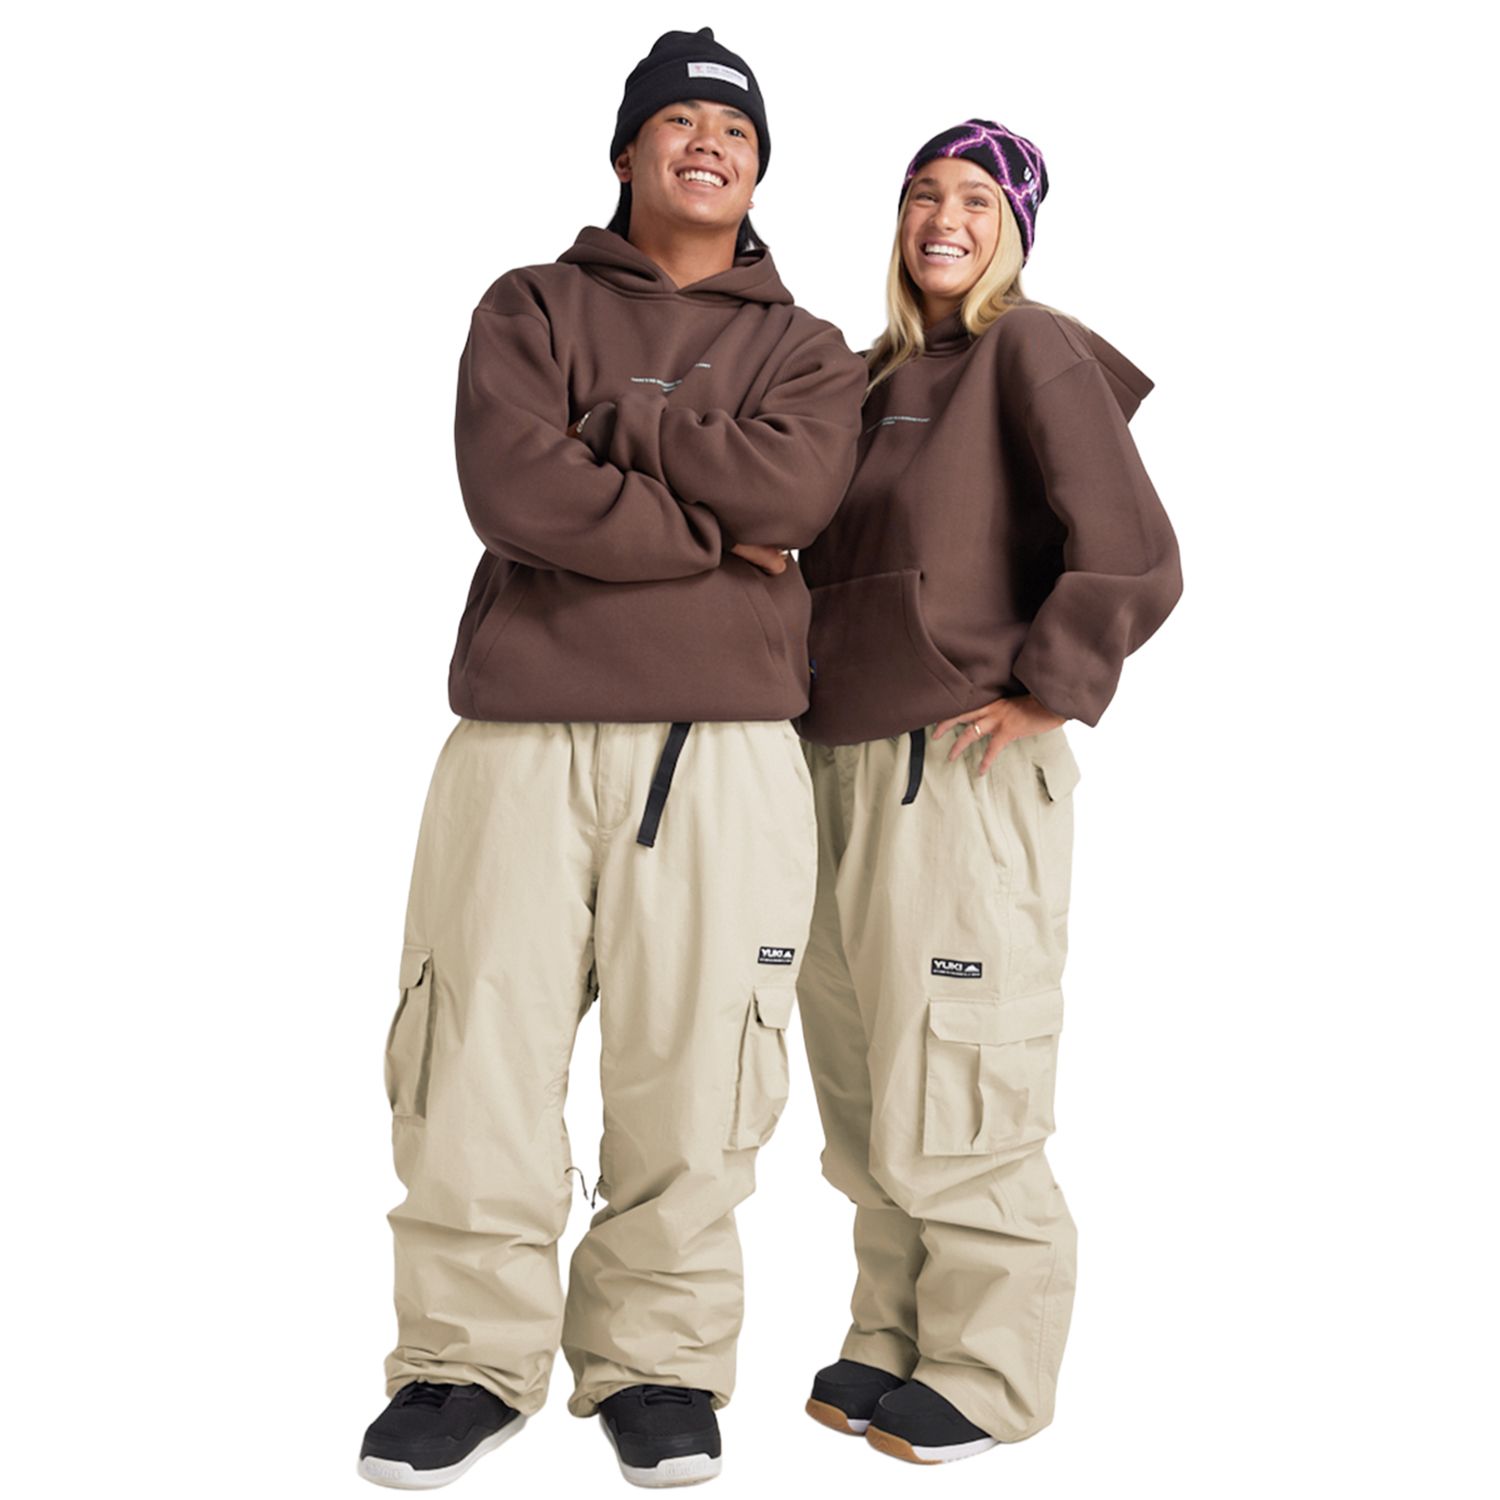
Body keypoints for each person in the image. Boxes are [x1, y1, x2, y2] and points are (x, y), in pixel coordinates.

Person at [357, 28, 866, 1491]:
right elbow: (514, 491)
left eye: (738, 132)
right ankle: (464, 1361)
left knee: (700, 1066)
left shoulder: (808, 349)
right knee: (474, 1053)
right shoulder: (529, 304)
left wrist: (619, 433)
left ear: (759, 172)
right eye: (682, 120)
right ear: (629, 148)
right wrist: (714, 528)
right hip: (520, 741)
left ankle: (658, 1364)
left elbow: (797, 496)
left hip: (726, 754)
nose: (711, 144)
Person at [793, 119, 1183, 1464]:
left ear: (1015, 225)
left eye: (974, 198)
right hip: (837, 763)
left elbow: (1133, 549)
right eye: (921, 195)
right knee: (863, 1067)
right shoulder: (869, 378)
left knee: (960, 1062)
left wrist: (1048, 689)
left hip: (958, 769)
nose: (941, 219)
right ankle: (894, 1333)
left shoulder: (1031, 348)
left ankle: (992, 1367)